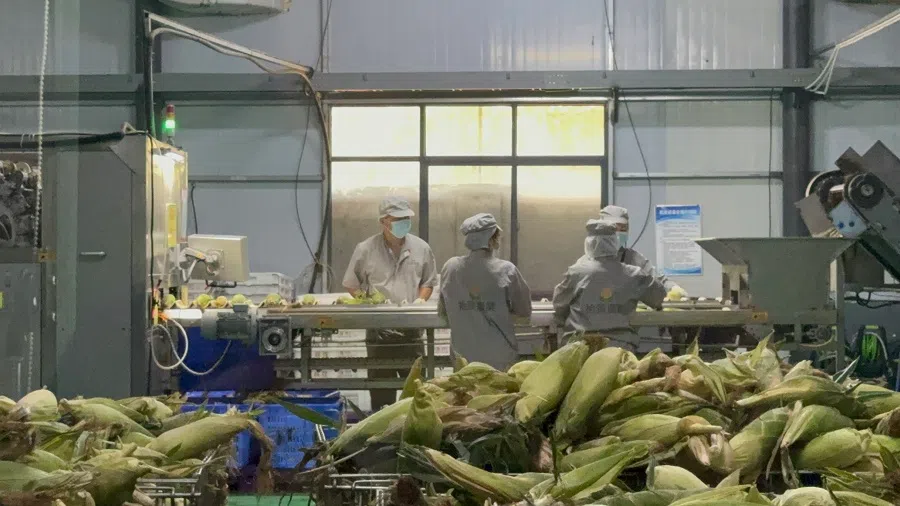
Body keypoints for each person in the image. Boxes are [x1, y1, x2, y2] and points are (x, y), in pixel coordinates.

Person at [342, 196, 437, 409]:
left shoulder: (421, 248)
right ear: (383, 221)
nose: (404, 222)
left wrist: (420, 300)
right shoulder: (366, 249)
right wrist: (367, 302)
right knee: (381, 394)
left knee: (415, 393)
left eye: (406, 218)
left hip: (411, 332)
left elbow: (428, 281)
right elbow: (351, 283)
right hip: (379, 334)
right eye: (398, 219)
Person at [552, 219, 666, 351]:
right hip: (619, 347)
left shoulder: (576, 272)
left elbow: (559, 304)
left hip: (579, 347)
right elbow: (658, 297)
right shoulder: (634, 274)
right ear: (615, 243)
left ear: (589, 244)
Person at [438, 213, 532, 370]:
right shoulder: (506, 270)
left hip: (463, 360)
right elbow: (524, 310)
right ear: (492, 239)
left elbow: (443, 311)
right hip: (499, 360)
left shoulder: (451, 267)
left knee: (465, 387)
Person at [598, 205, 688, 299]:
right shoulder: (590, 260)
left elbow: (659, 281)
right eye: (614, 228)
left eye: (623, 229)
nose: (618, 233)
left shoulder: (633, 258)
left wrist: (673, 288)